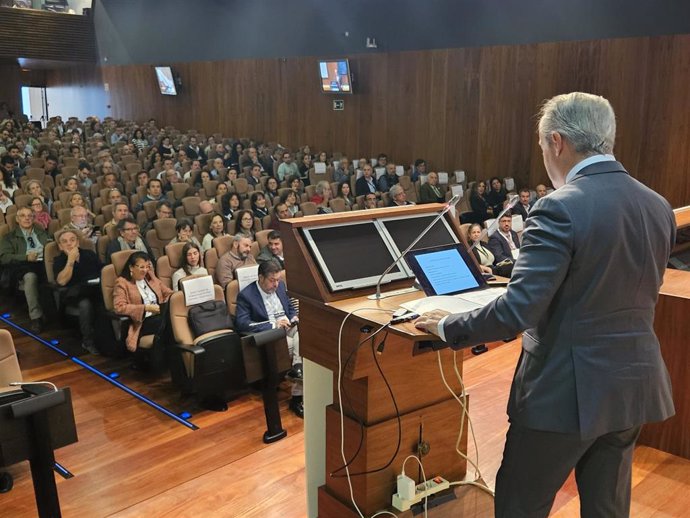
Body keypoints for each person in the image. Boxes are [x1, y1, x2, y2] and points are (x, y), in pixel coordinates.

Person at [414, 92, 676, 518]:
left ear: (556, 142)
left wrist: (447, 326)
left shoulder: (558, 207)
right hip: (632, 386)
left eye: (542, 149)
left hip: (565, 390)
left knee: (521, 505)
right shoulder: (656, 203)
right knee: (608, 509)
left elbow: (518, 311)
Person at [235, 259, 303, 418]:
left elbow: (290, 306)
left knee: (304, 336)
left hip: (288, 327)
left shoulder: (281, 287)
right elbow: (242, 324)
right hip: (271, 335)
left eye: (278, 280)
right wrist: (273, 325)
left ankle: (297, 369)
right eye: (272, 280)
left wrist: (293, 317)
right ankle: (297, 396)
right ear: (261, 278)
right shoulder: (246, 296)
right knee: (295, 345)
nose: (276, 284)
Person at [113, 251, 173, 360]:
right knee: (170, 322)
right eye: (141, 267)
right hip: (142, 322)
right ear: (131, 267)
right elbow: (119, 307)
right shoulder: (122, 283)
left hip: (160, 316)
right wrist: (145, 308)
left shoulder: (151, 277)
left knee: (172, 319)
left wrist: (174, 298)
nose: (145, 270)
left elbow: (168, 293)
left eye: (147, 266)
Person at [0, 206, 49, 332]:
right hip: (22, 265)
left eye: (30, 216)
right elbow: (4, 257)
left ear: (33, 218)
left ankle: (58, 313)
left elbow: (50, 247)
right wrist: (26, 257)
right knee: (30, 277)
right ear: (17, 219)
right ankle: (36, 317)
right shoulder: (9, 237)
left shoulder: (41, 232)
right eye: (23, 216)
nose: (27, 218)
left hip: (43, 263)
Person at [53, 229, 102, 354]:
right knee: (85, 304)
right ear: (60, 246)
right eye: (65, 242)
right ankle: (88, 341)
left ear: (78, 243)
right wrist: (70, 260)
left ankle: (105, 338)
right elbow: (62, 282)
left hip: (95, 289)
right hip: (74, 294)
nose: (69, 244)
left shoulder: (89, 254)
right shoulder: (59, 260)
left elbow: (103, 270)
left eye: (72, 240)